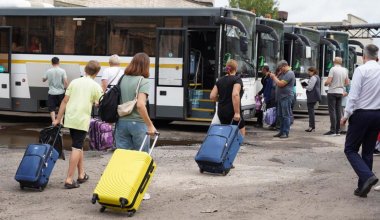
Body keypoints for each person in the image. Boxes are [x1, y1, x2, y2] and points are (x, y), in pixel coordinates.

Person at [53, 60, 103, 189]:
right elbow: (99, 103)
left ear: (85, 70)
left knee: (78, 144)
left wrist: (58, 119)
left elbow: (64, 101)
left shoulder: (74, 82)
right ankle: (69, 179)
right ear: (96, 73)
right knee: (76, 147)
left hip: (70, 118)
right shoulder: (95, 86)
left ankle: (81, 174)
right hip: (82, 119)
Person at [341, 44, 380, 198]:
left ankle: (368, 176)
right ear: (377, 56)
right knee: (368, 151)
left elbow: (354, 95)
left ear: (364, 56)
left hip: (361, 114)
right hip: (377, 114)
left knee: (350, 149)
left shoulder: (361, 70)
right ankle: (362, 187)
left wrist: (345, 115)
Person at [210, 59, 245, 136]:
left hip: (221, 111)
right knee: (240, 133)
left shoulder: (220, 80)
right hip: (232, 111)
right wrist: (237, 113)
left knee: (226, 133)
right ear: (236, 68)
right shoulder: (237, 79)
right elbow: (235, 95)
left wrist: (221, 99)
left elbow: (212, 96)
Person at [324, 57, 349, 136]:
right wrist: (340, 85)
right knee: (338, 111)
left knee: (332, 111)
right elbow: (347, 82)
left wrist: (325, 83)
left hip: (332, 91)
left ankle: (333, 130)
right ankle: (338, 130)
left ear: (334, 61)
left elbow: (328, 81)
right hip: (340, 92)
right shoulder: (344, 70)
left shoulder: (333, 69)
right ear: (341, 62)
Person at [270, 60, 295, 138]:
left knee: (286, 115)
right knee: (280, 115)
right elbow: (275, 84)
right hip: (281, 97)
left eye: (281, 68)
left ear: (284, 66)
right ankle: (281, 131)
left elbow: (281, 84)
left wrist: (274, 77)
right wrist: (277, 75)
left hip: (286, 97)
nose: (280, 69)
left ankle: (285, 132)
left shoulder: (290, 73)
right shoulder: (283, 73)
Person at [42, 57, 68, 123]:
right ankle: (61, 122)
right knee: (61, 107)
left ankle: (54, 121)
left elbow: (43, 79)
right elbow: (65, 81)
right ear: (58, 62)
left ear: (52, 63)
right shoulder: (62, 71)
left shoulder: (48, 71)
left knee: (52, 108)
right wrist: (67, 88)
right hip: (61, 92)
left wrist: (45, 79)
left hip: (51, 93)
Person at [303, 67, 321, 132]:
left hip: (312, 96)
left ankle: (311, 127)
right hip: (315, 95)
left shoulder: (313, 77)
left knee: (311, 112)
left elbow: (310, 87)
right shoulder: (317, 77)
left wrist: (304, 86)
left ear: (313, 71)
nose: (308, 73)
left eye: (309, 72)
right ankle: (312, 127)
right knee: (311, 111)